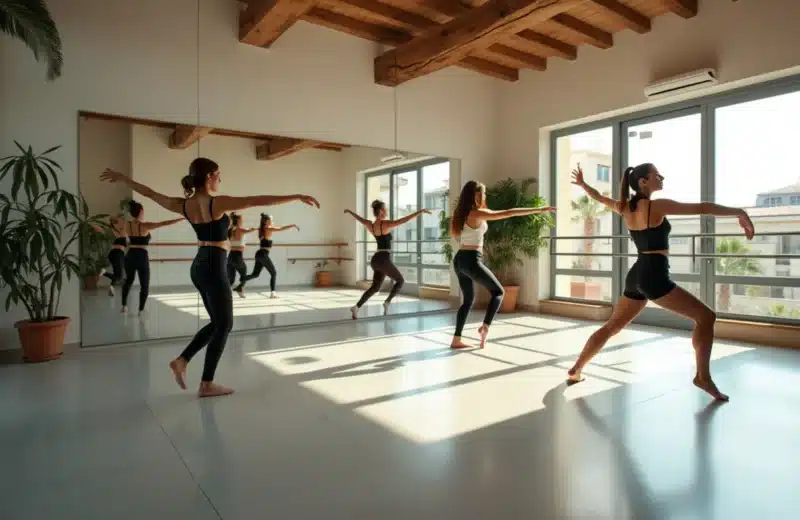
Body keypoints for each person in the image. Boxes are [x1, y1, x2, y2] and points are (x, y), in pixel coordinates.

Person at [100, 159, 319, 398]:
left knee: (218, 322)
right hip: (214, 265)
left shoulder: (184, 205)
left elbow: (151, 194)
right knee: (224, 324)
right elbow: (255, 199)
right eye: (218, 175)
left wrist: (125, 180)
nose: (219, 180)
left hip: (200, 265)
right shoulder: (217, 203)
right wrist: (296, 195)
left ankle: (183, 361)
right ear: (208, 177)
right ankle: (205, 382)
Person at [566, 162, 755, 401]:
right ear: (643, 181)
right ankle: (702, 377)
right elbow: (703, 207)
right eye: (657, 175)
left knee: (612, 326)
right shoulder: (657, 206)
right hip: (653, 274)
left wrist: (583, 185)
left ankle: (577, 369)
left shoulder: (624, 207)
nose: (661, 177)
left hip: (637, 273)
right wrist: (739, 212)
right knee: (706, 317)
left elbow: (599, 198)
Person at [448, 181, 555, 349]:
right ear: (475, 196)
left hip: (460, 259)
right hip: (471, 259)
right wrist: (540, 210)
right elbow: (509, 213)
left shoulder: (459, 215)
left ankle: (456, 339)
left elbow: (458, 236)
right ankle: (485, 327)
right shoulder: (477, 214)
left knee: (468, 300)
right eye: (482, 194)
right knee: (498, 292)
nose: (484, 197)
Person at [345, 201, 431, 319]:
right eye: (385, 209)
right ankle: (387, 302)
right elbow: (403, 220)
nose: (386, 211)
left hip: (375, 260)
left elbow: (360, 219)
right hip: (384, 259)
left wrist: (350, 212)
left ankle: (356, 307)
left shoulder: (371, 225)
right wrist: (419, 212)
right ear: (380, 211)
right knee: (400, 281)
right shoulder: (385, 224)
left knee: (375, 287)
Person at [120, 200, 183, 314]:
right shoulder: (144, 225)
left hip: (130, 255)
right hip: (141, 256)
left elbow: (125, 237)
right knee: (144, 284)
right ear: (141, 212)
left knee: (128, 280)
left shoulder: (127, 224)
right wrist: (181, 218)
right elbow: (164, 223)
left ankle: (124, 306)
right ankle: (141, 310)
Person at [240, 213, 299, 299]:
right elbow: (281, 228)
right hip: (263, 254)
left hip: (259, 254)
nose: (272, 221)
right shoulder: (268, 228)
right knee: (273, 273)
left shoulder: (261, 229)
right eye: (271, 219)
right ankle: (273, 293)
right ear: (267, 221)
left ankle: (242, 280)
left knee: (255, 274)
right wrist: (292, 225)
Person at [226, 213, 258, 298]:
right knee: (244, 275)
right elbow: (249, 230)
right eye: (242, 220)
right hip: (237, 256)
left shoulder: (230, 230)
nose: (243, 221)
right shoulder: (240, 229)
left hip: (230, 256)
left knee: (231, 279)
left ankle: (224, 294)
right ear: (239, 220)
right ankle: (239, 289)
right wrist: (255, 228)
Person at [101, 213, 127, 297]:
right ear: (115, 222)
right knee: (119, 276)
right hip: (117, 254)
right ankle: (104, 273)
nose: (122, 222)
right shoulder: (113, 231)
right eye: (120, 221)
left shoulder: (120, 230)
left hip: (118, 254)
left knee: (117, 275)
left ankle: (111, 288)